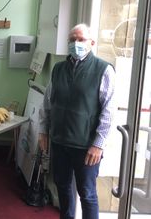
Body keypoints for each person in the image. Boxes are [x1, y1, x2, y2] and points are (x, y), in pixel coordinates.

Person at [38, 24, 115, 219]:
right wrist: (43, 131)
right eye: (71, 40)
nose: (75, 44)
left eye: (80, 39)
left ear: (92, 42)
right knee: (63, 187)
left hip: (86, 147)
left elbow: (108, 111)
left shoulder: (103, 70)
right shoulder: (58, 69)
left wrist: (98, 144)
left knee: (87, 194)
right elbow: (47, 103)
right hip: (60, 142)